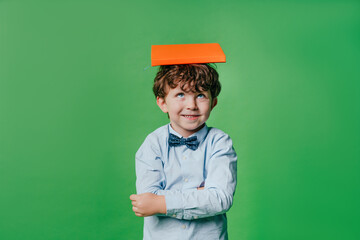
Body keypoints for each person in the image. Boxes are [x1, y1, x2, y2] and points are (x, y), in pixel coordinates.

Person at [130, 44, 237, 240]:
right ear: (162, 102)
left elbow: (220, 199)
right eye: (180, 94)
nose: (191, 105)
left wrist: (163, 202)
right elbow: (147, 199)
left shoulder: (220, 143)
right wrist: (200, 194)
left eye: (201, 95)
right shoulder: (153, 144)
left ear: (213, 102)